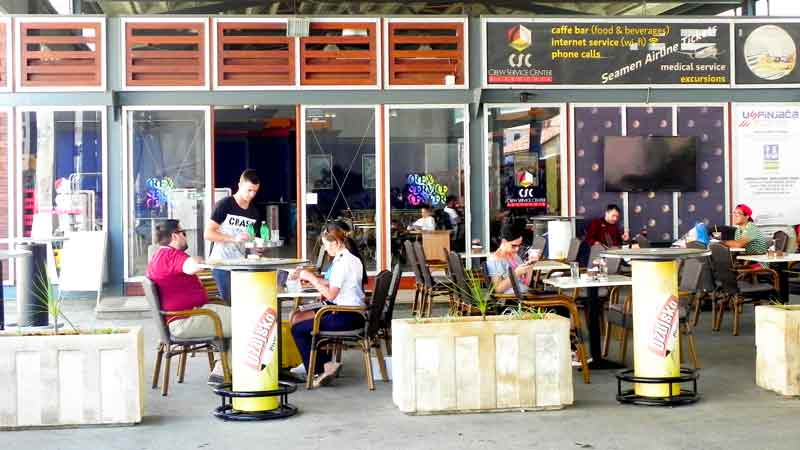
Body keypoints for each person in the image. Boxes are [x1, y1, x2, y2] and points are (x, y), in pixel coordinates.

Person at [147, 219, 231, 383]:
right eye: (183, 232)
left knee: (233, 317)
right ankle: (225, 370)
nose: (186, 236)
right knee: (250, 321)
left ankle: (225, 366)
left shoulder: (157, 256)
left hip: (185, 316)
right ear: (175, 236)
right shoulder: (172, 256)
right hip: (186, 320)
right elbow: (191, 267)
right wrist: (197, 260)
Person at [290, 231, 366, 387]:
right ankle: (325, 365)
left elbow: (331, 295)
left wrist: (311, 278)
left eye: (326, 244)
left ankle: (319, 370)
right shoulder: (352, 259)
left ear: (336, 243)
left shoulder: (342, 263)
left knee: (298, 329)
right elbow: (333, 282)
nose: (325, 249)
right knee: (304, 320)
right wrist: (314, 281)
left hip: (345, 316)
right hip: (354, 313)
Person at [205, 169, 262, 301]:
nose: (252, 194)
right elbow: (208, 233)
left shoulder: (254, 212)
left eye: (255, 191)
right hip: (221, 263)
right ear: (240, 185)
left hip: (242, 263)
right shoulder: (225, 205)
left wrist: (255, 248)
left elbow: (251, 239)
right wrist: (233, 239)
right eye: (249, 190)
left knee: (244, 302)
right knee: (229, 302)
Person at [485, 222, 541, 295]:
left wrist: (530, 264)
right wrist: (516, 273)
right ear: (504, 241)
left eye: (519, 245)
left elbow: (526, 283)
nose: (517, 249)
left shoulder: (515, 256)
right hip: (513, 299)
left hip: (523, 295)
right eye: (513, 245)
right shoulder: (495, 260)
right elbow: (498, 289)